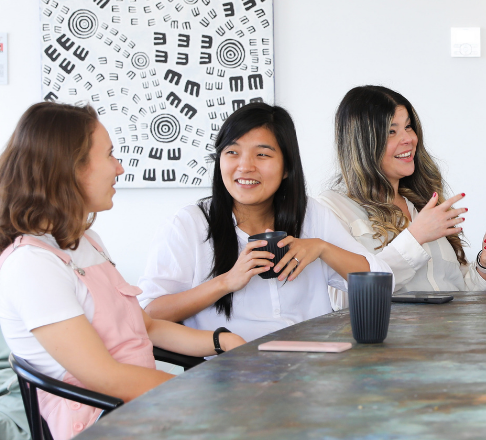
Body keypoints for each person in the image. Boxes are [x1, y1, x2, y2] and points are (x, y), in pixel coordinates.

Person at [0, 103, 245, 440]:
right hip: (101, 430)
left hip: (136, 409)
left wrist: (222, 340)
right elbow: (106, 377)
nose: (119, 168)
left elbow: (146, 327)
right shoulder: (32, 266)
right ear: (69, 168)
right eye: (109, 155)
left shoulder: (85, 242)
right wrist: (204, 399)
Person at [140, 103, 389, 342]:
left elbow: (381, 281)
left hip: (312, 365)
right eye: (232, 153)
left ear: (286, 168)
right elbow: (148, 314)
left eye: (262, 155)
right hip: (230, 371)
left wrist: (322, 248)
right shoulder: (189, 224)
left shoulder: (312, 214)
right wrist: (226, 281)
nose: (245, 166)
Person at [315, 86, 486, 297]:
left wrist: (485, 264)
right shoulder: (332, 208)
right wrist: (416, 236)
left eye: (409, 127)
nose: (409, 139)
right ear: (363, 143)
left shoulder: (422, 203)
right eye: (391, 131)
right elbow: (347, 298)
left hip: (450, 329)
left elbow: (457, 292)